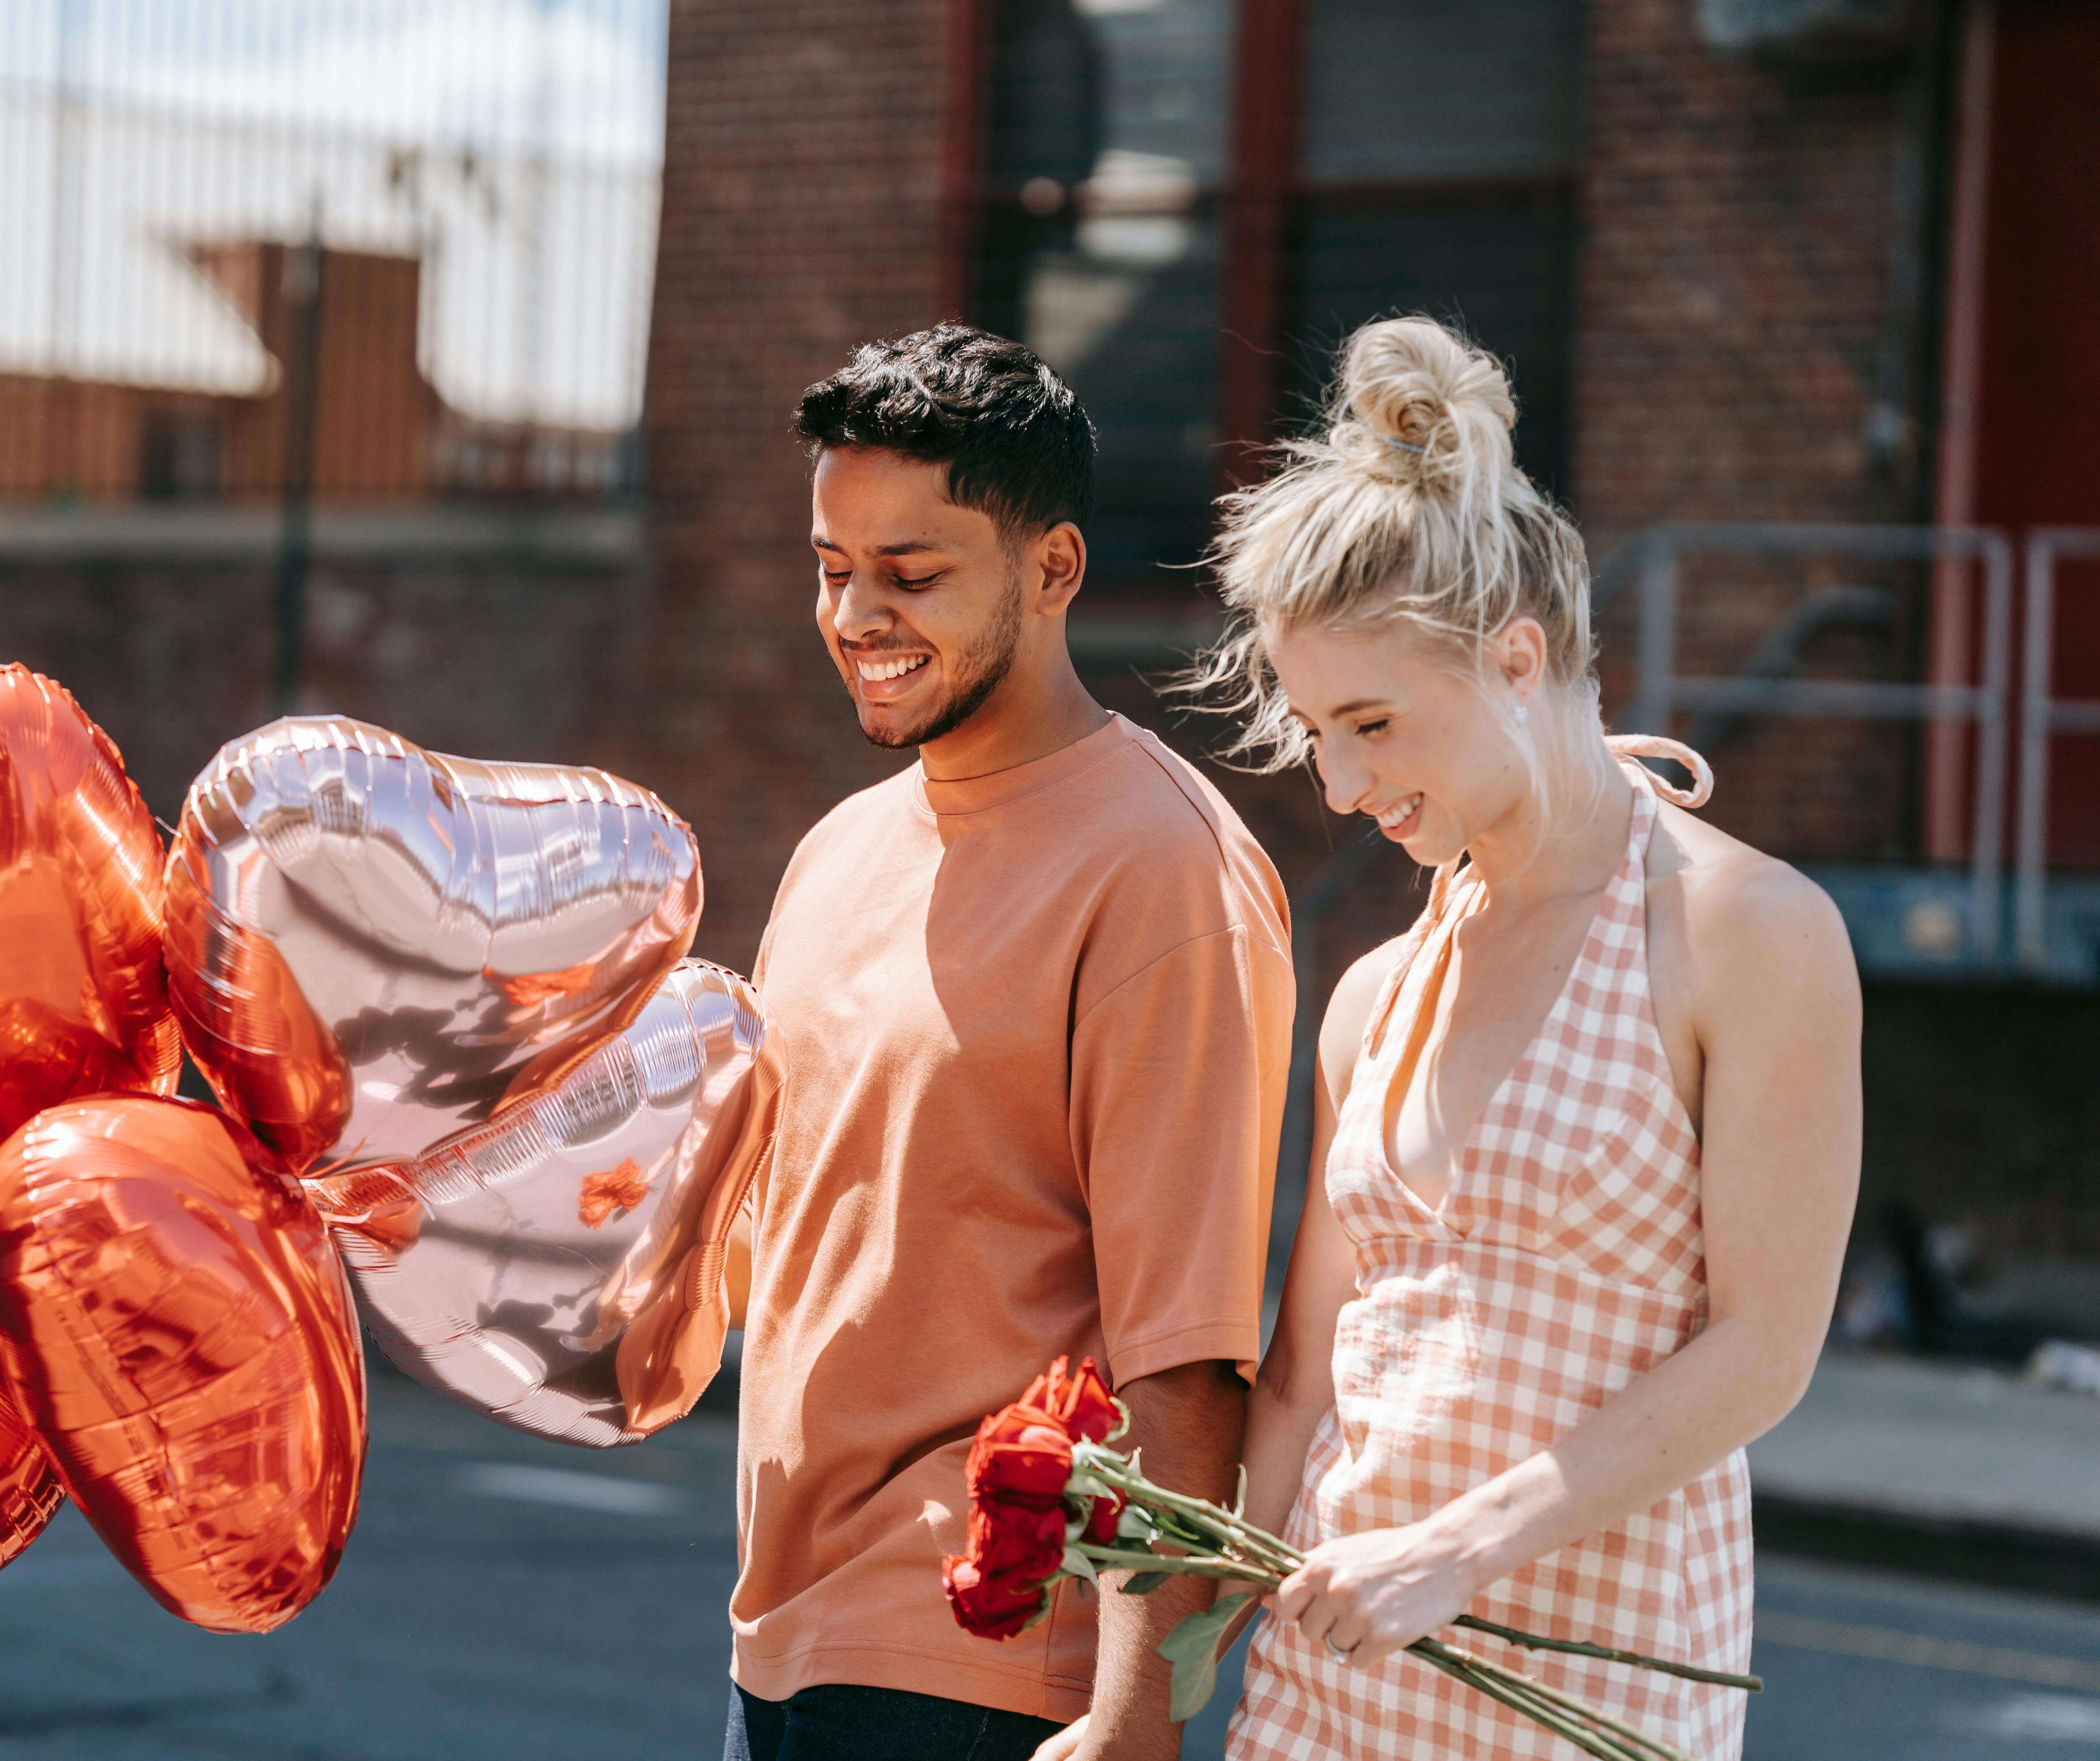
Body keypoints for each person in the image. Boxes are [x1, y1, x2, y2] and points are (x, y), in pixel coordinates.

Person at [1043, 315, 1861, 1760]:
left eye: (1374, 723)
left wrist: (1454, 1551)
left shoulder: (1745, 930)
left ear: (1518, 658)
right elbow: (1303, 1384)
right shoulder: (1375, 995)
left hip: (1595, 1695)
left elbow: (1763, 1351)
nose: (1346, 785)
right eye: (1316, 735)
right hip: (1324, 1697)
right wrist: (1151, 1690)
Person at [723, 323, 1296, 1761]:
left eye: (912, 576)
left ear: (1054, 572)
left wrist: (1134, 1708)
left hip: (985, 1670)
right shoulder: (838, 849)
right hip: (772, 1637)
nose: (857, 614)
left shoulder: (1161, 870)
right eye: (831, 569)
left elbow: (1189, 1341)